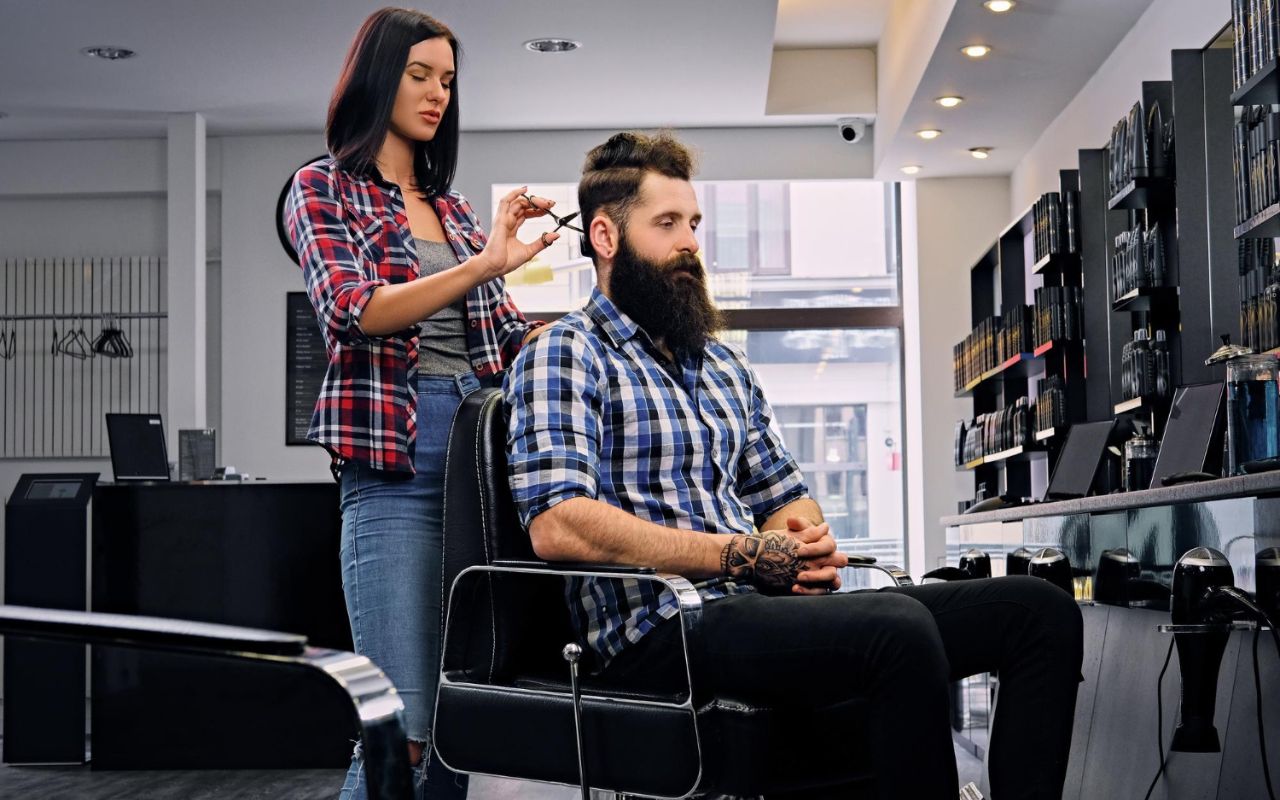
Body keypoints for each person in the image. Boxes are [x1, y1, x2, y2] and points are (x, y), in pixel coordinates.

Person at [504, 131, 1084, 799]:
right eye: (666, 224)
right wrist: (738, 555)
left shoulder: (721, 365)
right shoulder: (565, 353)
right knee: (895, 629)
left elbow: (784, 494)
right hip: (658, 626)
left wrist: (801, 542)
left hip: (750, 611)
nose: (690, 242)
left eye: (693, 223)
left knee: (1038, 612)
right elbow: (558, 524)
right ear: (605, 237)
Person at [284, 8, 559, 798]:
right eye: (420, 75)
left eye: (447, 80)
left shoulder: (458, 209)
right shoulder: (321, 188)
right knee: (399, 730)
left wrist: (597, 318)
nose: (438, 94)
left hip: (479, 456)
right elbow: (354, 308)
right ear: (378, 75)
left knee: (458, 726)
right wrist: (483, 266)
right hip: (396, 464)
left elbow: (507, 341)